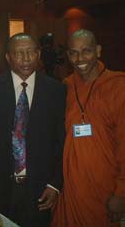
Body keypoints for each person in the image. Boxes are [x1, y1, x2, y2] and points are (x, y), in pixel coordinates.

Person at [0, 33, 66, 227]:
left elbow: (61, 142)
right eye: (19, 53)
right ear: (8, 57)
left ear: (38, 54)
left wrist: (55, 184)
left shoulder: (56, 91)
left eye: (31, 52)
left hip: (41, 188)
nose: (26, 58)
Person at [51, 29, 125, 227]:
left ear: (98, 51)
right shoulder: (65, 87)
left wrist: (121, 193)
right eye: (73, 53)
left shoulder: (118, 86)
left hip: (104, 185)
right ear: (67, 55)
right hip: (71, 186)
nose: (79, 58)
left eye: (86, 51)